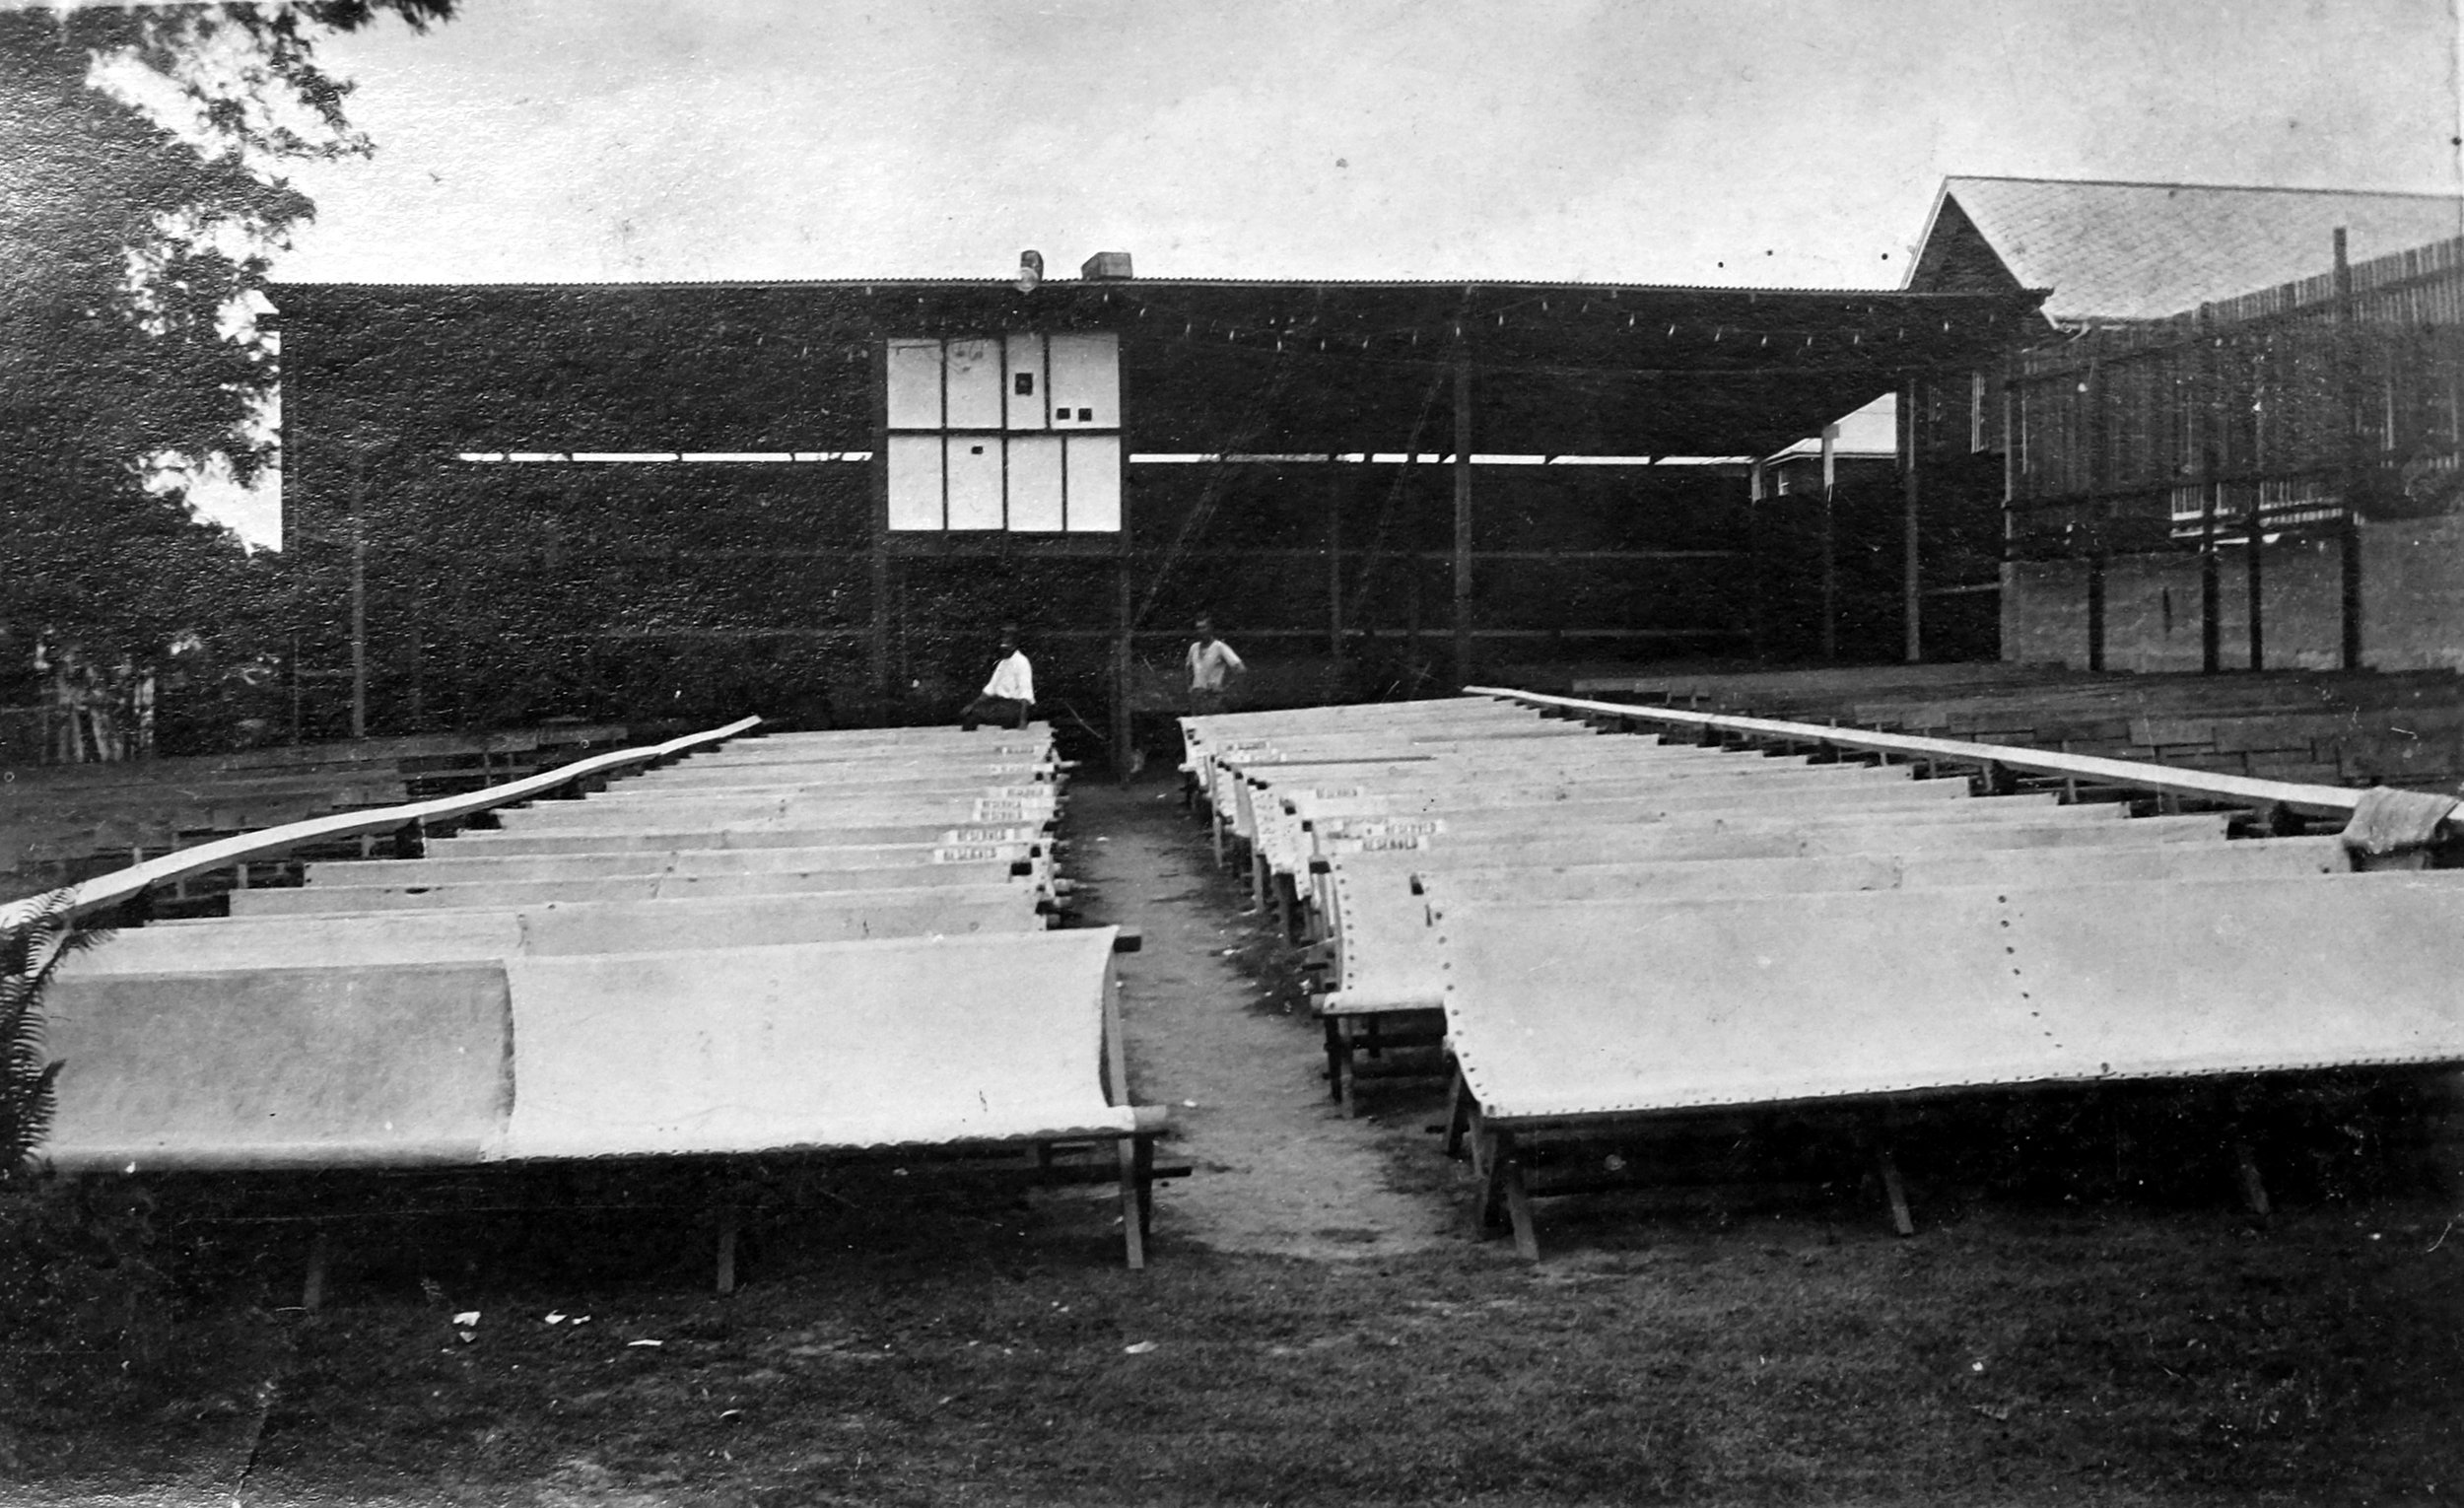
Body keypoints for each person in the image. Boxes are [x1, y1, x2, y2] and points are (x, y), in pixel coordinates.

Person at [960, 624, 1034, 730]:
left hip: (1014, 707)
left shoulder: (1022, 662)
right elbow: (990, 688)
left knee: (979, 714)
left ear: (1014, 644)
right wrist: (972, 705)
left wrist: (1023, 721)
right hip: (1000, 704)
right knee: (971, 714)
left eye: (1007, 644)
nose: (1003, 648)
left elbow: (1025, 694)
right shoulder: (1002, 663)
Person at [1185, 615, 1246, 717]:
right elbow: (1188, 667)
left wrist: (1225, 688)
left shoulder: (1219, 647)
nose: (1201, 631)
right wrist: (1190, 687)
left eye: (1204, 627)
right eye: (1198, 628)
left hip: (1213, 697)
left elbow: (1240, 669)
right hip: (1198, 697)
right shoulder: (1194, 648)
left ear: (1210, 628)